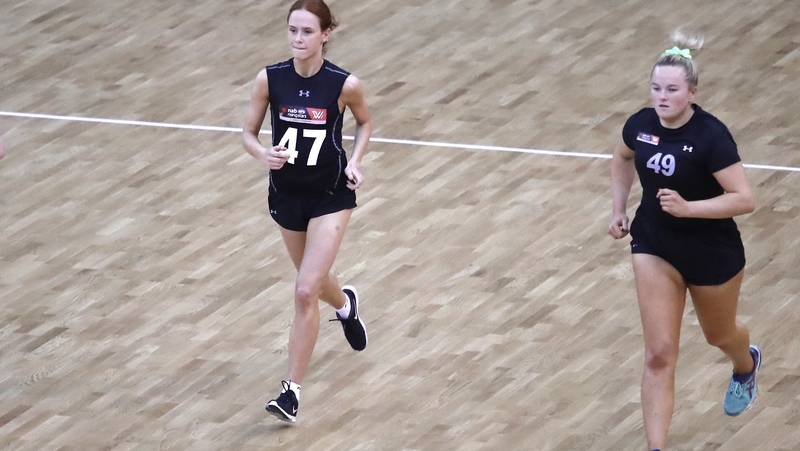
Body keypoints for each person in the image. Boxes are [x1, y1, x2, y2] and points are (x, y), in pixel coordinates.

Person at [608, 29, 761, 451]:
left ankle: (745, 366)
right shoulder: (639, 126)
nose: (662, 96)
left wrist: (690, 208)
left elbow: (744, 199)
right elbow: (621, 157)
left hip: (712, 251)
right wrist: (619, 210)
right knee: (658, 354)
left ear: (692, 92)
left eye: (672, 89)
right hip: (655, 243)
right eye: (656, 87)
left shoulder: (712, 137)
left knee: (720, 334)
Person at [241, 0, 372, 424]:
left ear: (325, 34)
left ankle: (290, 393)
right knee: (313, 284)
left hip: (332, 194)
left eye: (307, 32)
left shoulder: (344, 84)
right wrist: (263, 152)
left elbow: (365, 123)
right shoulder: (270, 79)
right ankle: (346, 305)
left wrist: (354, 161)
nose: (298, 39)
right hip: (287, 194)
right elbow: (246, 132)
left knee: (302, 291)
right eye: (292, 31)